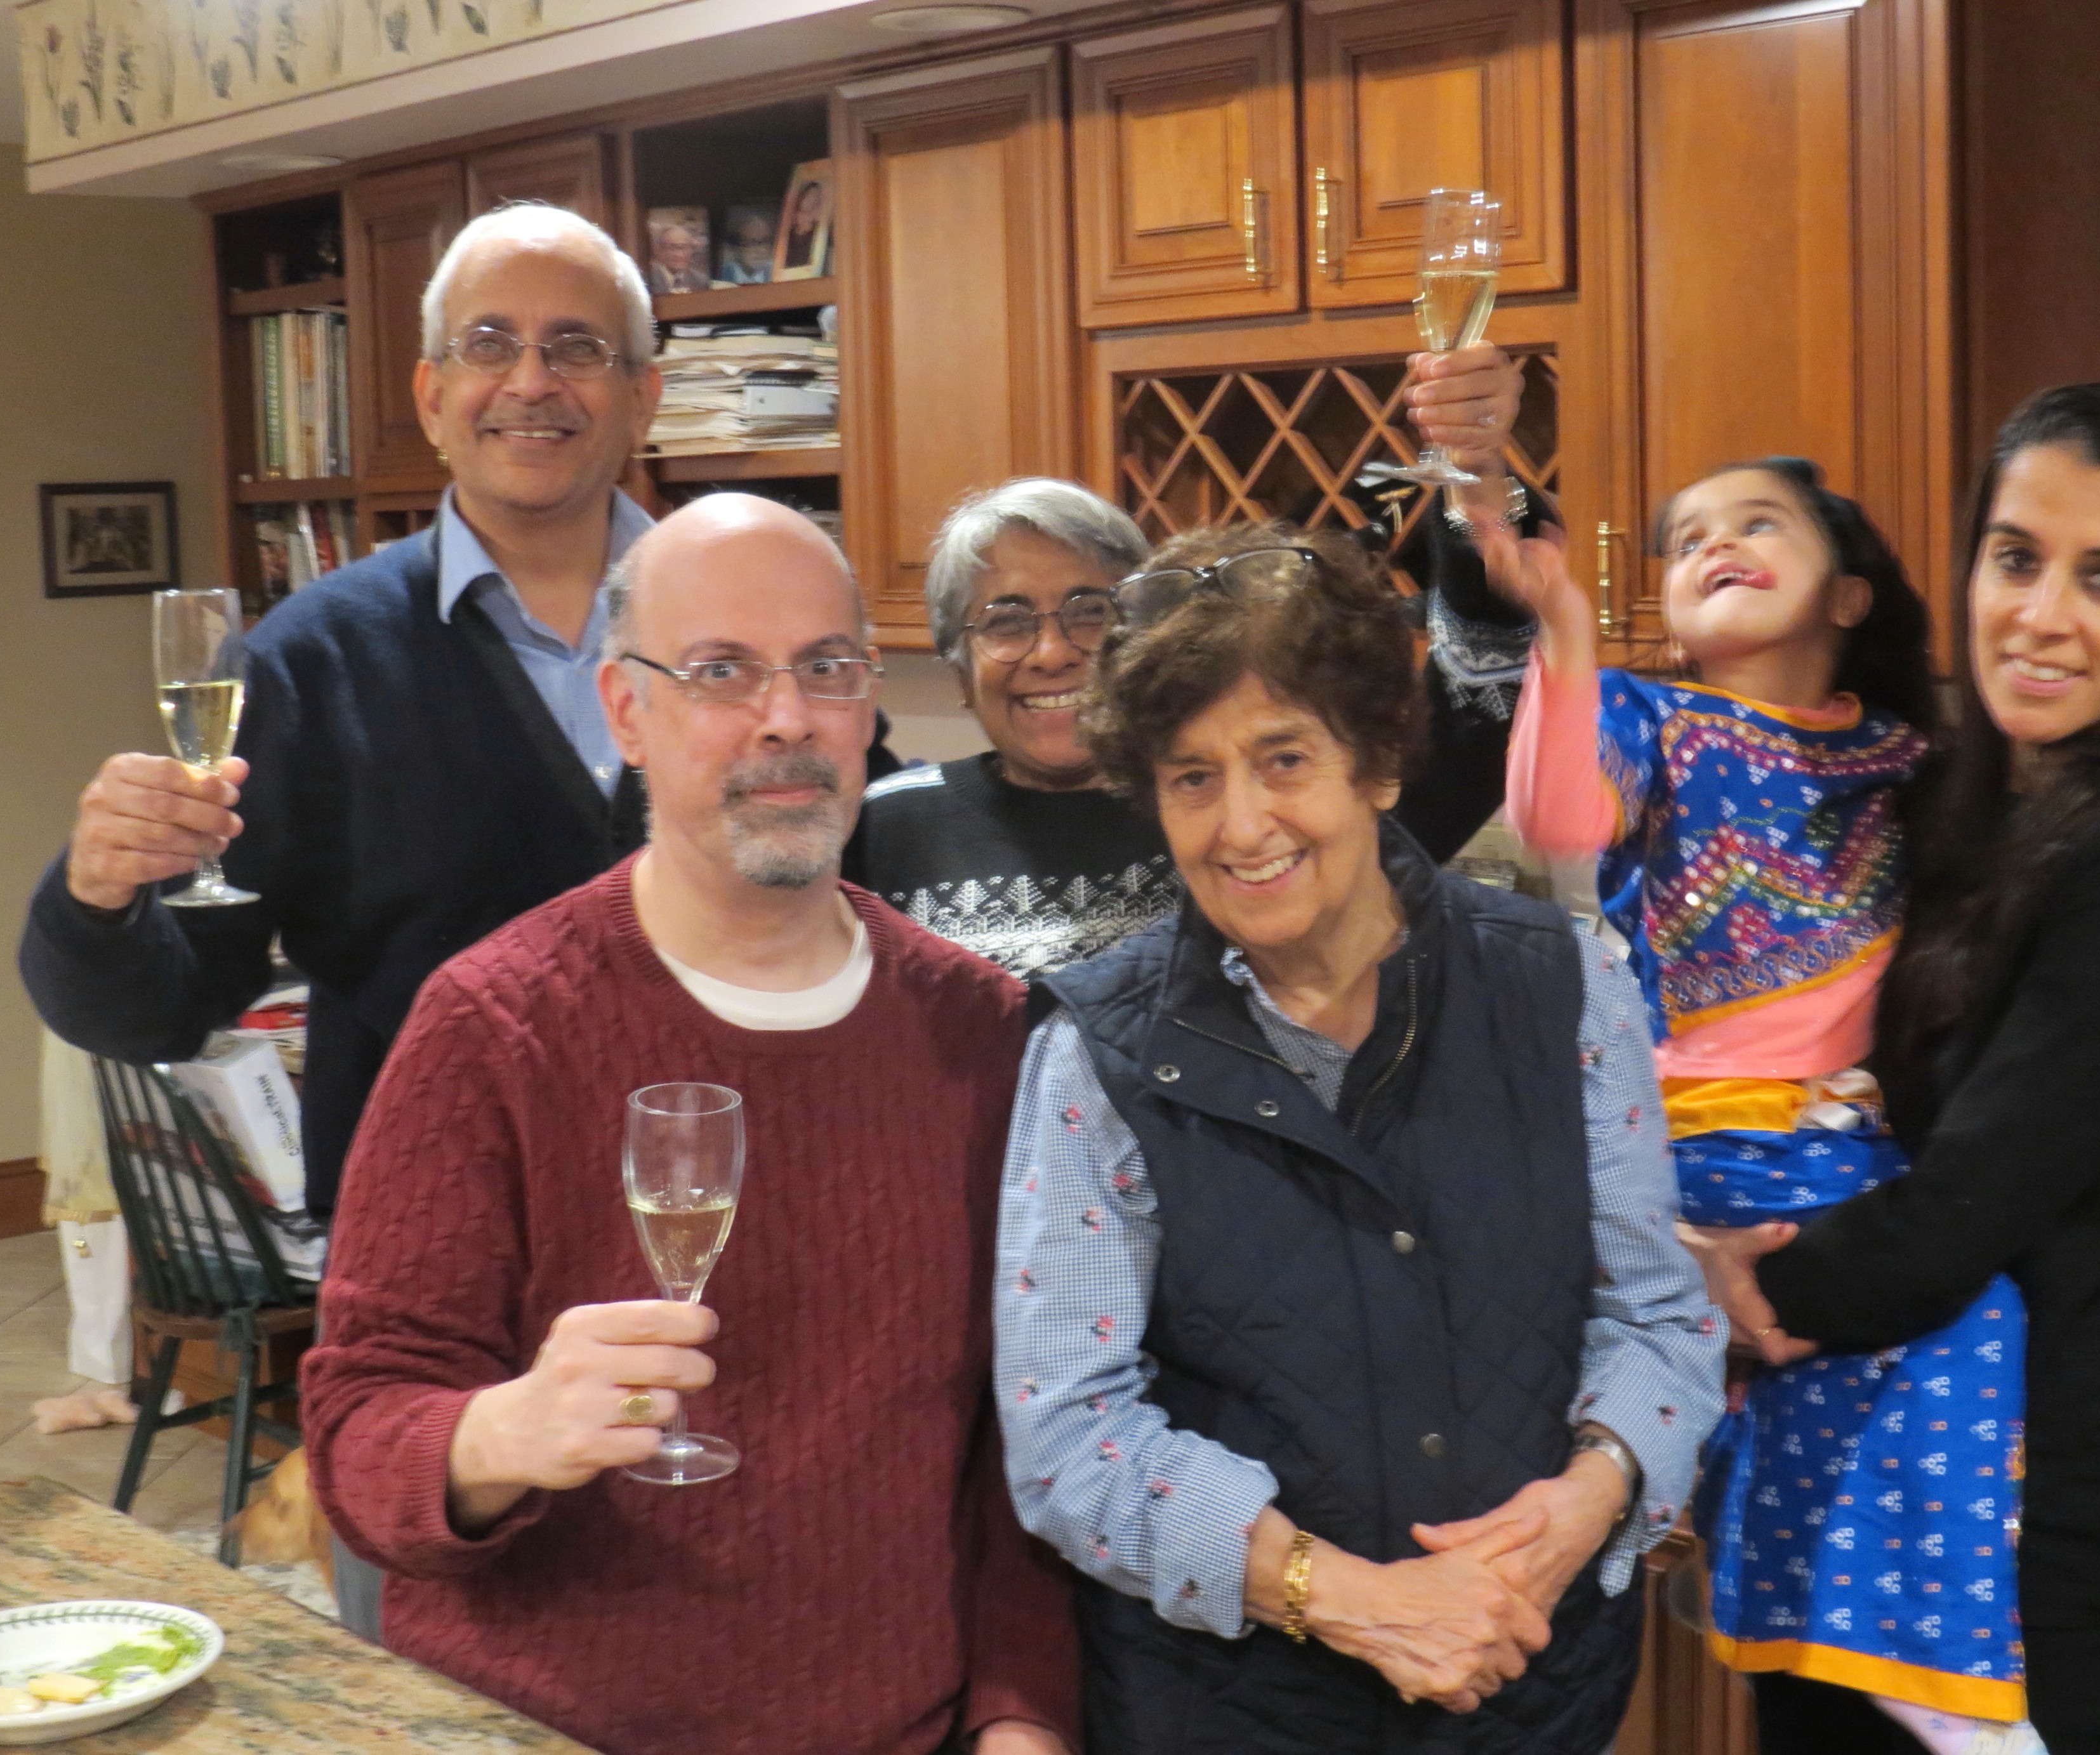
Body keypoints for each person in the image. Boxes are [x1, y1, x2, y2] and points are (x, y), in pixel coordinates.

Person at [299, 495, 1076, 1755]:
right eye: (721, 672)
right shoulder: (492, 1028)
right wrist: (501, 1432)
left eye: (826, 668)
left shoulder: (978, 1031)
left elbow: (1021, 1449)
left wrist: (1021, 1719)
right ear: (625, 711)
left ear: (868, 703)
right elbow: (356, 1442)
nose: (787, 718)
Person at [993, 523, 1726, 1752]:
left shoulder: (1564, 989)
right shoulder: (1096, 1055)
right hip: (1230, 1718)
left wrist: (1584, 1502)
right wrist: (1344, 1600)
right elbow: (1066, 1434)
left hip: (1532, 1700)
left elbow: (1657, 1315)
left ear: (1376, 764)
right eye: (1191, 777)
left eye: (1283, 759)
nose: (1242, 825)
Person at [1683, 385, 2100, 1755]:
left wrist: (1718, 1289)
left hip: (2024, 1517)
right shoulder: (1968, 811)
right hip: (1860, 1458)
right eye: (2014, 558)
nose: (2039, 616)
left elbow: (1962, 1212)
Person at [1493, 463, 2042, 1752]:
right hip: (1705, 1149)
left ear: (1848, 592)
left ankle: (1895, 1648)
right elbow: (1552, 814)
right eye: (1687, 538)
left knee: (1938, 1332)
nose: (1715, 544)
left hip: (1849, 1144)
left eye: (1756, 523)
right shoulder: (1646, 720)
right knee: (1833, 1350)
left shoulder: (1913, 764)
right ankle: (1916, 1672)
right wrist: (1561, 622)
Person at [21, 203, 665, 1229]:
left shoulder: (746, 619)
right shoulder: (310, 660)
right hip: (429, 1237)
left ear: (643, 397)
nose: (531, 381)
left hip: (716, 1206)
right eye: (489, 343)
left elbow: (846, 896)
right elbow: (166, 1008)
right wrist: (97, 895)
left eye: (577, 347)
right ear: (432, 397)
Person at [845, 345, 1542, 975]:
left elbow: (1485, 667)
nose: (1052, 653)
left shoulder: (1273, 801)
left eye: (1089, 610)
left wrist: (1476, 472)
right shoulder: (881, 827)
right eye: (1006, 621)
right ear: (959, 666)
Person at [648, 221, 710, 294]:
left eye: (684, 247)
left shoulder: (702, 282)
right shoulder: (648, 280)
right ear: (660, 250)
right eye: (672, 248)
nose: (679, 254)